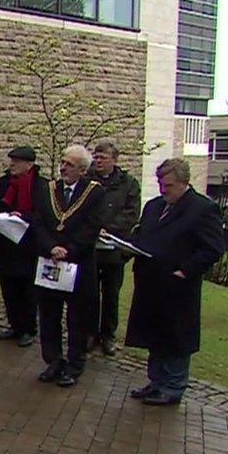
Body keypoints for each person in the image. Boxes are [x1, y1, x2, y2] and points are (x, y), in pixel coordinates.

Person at [125, 159, 224, 405]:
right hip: (151, 283)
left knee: (176, 337)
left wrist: (186, 270)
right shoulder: (155, 206)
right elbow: (143, 234)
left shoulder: (202, 209)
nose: (163, 189)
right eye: (160, 183)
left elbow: (213, 248)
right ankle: (156, 382)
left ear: (184, 182)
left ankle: (173, 386)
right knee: (155, 334)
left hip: (178, 285)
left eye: (168, 185)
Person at [31, 145, 104, 387]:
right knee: (49, 314)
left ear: (82, 170)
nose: (63, 167)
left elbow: (91, 228)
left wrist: (69, 250)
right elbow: (38, 222)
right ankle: (53, 360)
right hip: (50, 260)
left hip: (78, 264)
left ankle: (75, 364)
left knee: (77, 317)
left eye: (69, 164)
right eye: (62, 162)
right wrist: (51, 247)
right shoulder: (47, 190)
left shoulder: (94, 193)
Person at [0, 146, 47, 348]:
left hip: (28, 247)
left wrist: (24, 217)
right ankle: (14, 325)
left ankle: (28, 329)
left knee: (28, 292)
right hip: (6, 244)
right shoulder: (4, 183)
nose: (12, 164)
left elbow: (43, 215)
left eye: (17, 161)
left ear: (29, 164)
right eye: (11, 160)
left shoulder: (41, 185)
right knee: (9, 289)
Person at [86, 141, 140, 356]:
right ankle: (89, 333)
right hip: (90, 248)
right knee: (90, 294)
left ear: (114, 160)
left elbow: (131, 213)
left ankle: (108, 335)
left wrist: (108, 229)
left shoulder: (128, 183)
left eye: (103, 158)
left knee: (111, 295)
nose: (98, 161)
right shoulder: (87, 181)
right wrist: (93, 228)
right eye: (96, 157)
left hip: (114, 249)